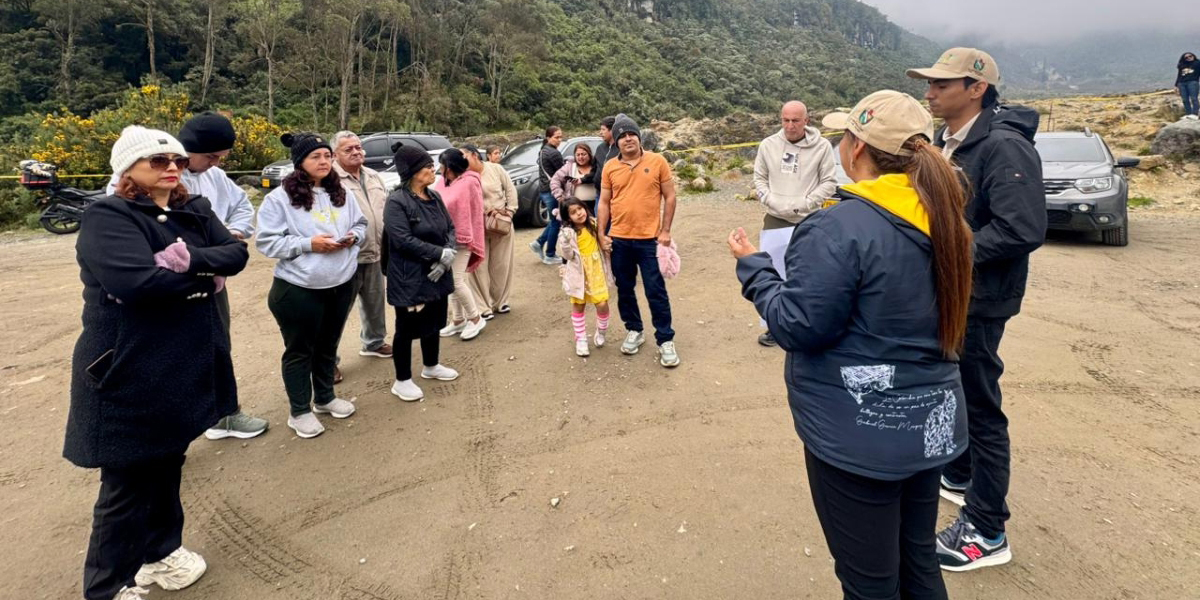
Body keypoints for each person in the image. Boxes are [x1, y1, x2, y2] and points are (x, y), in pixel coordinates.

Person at [731, 90, 973, 600]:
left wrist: (755, 268)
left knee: (868, 582)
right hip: (929, 425)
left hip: (861, 435)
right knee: (918, 561)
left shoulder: (839, 225)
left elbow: (798, 326)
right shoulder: (946, 217)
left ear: (856, 147)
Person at [67, 126, 249, 600]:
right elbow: (137, 284)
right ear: (127, 169)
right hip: (128, 369)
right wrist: (201, 275)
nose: (172, 167)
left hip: (182, 363)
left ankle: (160, 554)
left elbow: (236, 255)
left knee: (169, 462)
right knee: (127, 484)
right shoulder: (109, 216)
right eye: (157, 161)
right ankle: (107, 588)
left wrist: (182, 261)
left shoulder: (193, 207)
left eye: (178, 161)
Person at [907, 47, 1046, 571]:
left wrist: (950, 254)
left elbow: (1021, 229)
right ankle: (961, 474)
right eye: (930, 83)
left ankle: (987, 529)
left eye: (942, 84)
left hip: (983, 300)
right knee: (958, 391)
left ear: (976, 88)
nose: (930, 92)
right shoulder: (950, 142)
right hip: (958, 293)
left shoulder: (1004, 147)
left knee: (980, 404)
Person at [103, 112, 268, 440]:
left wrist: (230, 235)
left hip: (211, 284)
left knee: (216, 344)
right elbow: (141, 260)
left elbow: (240, 218)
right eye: (211, 156)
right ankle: (163, 429)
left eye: (222, 157)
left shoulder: (213, 179)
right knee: (164, 357)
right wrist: (211, 253)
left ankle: (224, 415)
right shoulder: (117, 201)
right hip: (164, 291)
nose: (216, 163)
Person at [256, 132, 367, 439]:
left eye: (326, 156)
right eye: (315, 157)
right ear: (299, 163)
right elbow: (267, 241)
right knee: (300, 350)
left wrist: (353, 238)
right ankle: (299, 411)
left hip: (340, 282)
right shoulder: (279, 198)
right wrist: (309, 244)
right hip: (299, 288)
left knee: (328, 344)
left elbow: (361, 225)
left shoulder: (340, 191)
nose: (323, 161)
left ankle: (325, 398)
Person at [752, 100, 838, 348]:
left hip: (809, 218)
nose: (790, 126)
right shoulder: (768, 145)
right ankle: (772, 326)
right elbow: (759, 178)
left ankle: (808, 325)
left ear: (806, 121)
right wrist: (770, 200)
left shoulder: (822, 147)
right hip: (775, 218)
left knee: (809, 273)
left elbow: (829, 182)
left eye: (795, 120)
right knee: (774, 272)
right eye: (785, 120)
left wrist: (808, 202)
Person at [597, 114, 680, 368]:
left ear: (639, 137)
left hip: (649, 240)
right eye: (622, 135)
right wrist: (602, 233)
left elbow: (670, 196)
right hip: (620, 239)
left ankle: (665, 339)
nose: (627, 139)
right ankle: (635, 330)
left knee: (656, 291)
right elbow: (604, 201)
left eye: (631, 134)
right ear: (617, 140)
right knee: (624, 290)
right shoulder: (610, 166)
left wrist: (665, 231)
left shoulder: (657, 161)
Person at [384, 144, 461, 402]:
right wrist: (438, 254)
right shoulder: (397, 201)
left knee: (435, 320)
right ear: (412, 172)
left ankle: (431, 365)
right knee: (406, 328)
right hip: (410, 275)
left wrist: (448, 253)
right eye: (427, 165)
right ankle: (402, 379)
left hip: (437, 272)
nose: (433, 169)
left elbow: (449, 227)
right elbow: (401, 239)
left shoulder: (434, 196)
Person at [332, 131, 393, 362]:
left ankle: (374, 342)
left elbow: (384, 208)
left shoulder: (374, 176)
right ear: (335, 155)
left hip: (376, 251)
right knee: (337, 312)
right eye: (349, 149)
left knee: (375, 303)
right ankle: (329, 361)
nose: (356, 152)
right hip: (346, 256)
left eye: (358, 147)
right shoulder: (330, 180)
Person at [433, 148, 488, 340]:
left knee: (456, 281)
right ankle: (457, 320)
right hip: (445, 239)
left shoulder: (470, 182)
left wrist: (463, 234)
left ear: (450, 167)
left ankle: (475, 318)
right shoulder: (443, 181)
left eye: (442, 165)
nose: (439, 169)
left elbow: (471, 211)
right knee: (450, 281)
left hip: (462, 239)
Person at [465, 143, 519, 317]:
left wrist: (509, 212)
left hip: (500, 224)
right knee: (477, 267)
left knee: (501, 264)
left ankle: (500, 302)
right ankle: (483, 307)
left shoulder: (495, 169)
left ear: (474, 155)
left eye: (464, 156)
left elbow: (510, 191)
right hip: (477, 227)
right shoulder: (463, 176)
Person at [556, 197, 614, 357]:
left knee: (602, 303)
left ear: (585, 208)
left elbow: (604, 243)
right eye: (573, 213)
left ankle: (602, 330)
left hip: (596, 271)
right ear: (568, 218)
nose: (579, 214)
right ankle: (580, 339)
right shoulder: (568, 233)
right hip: (579, 273)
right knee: (579, 305)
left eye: (579, 209)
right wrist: (565, 243)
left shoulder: (594, 224)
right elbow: (567, 256)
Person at [530, 126, 565, 264]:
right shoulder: (553, 153)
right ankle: (550, 254)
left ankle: (538, 243)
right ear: (548, 138)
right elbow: (562, 172)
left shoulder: (543, 150)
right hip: (552, 191)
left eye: (561, 137)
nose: (559, 140)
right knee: (556, 222)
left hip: (544, 190)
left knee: (553, 221)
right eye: (556, 137)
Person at [551, 142, 599, 215]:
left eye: (583, 154)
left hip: (596, 205)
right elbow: (555, 180)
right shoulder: (569, 167)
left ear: (589, 154)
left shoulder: (596, 167)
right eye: (578, 155)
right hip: (576, 207)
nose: (580, 157)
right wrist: (560, 196)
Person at [593, 116, 620, 196]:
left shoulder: (621, 149)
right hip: (599, 194)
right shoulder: (600, 148)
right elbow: (594, 168)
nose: (600, 133)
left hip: (615, 195)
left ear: (612, 130)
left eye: (603, 129)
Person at [1176, 52, 1199, 118]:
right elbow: (1179, 76)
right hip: (1182, 83)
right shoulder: (1182, 65)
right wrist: (1176, 85)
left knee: (1194, 98)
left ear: (1193, 56)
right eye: (1186, 57)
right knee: (1185, 100)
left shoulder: (1197, 63)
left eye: (1190, 56)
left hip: (1193, 82)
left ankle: (1195, 114)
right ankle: (1188, 114)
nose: (1189, 58)